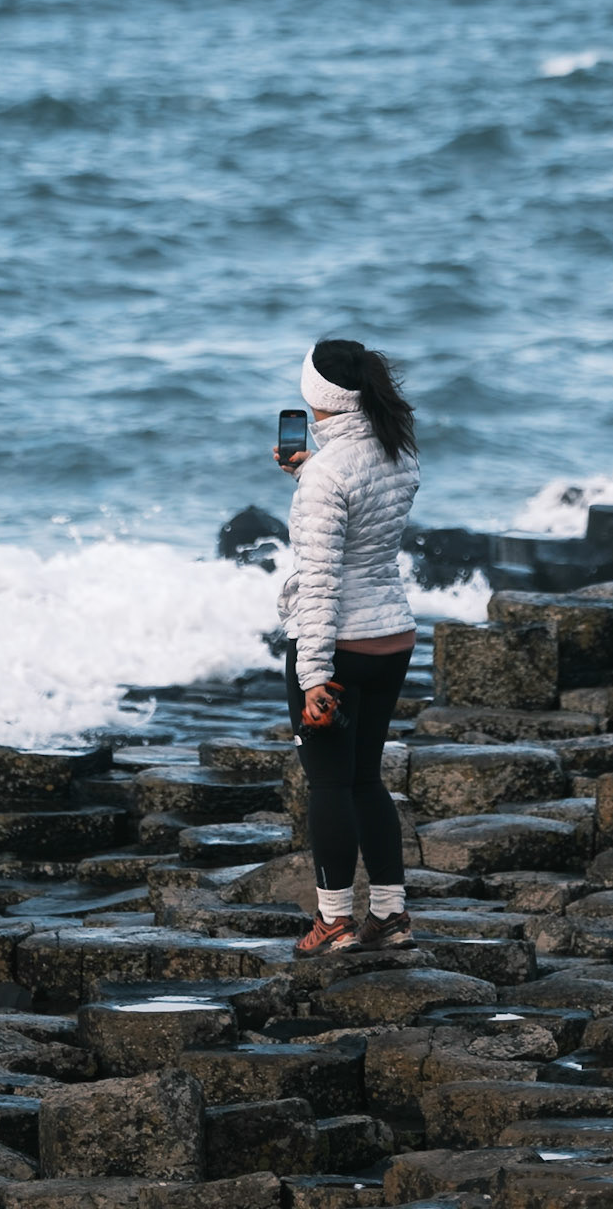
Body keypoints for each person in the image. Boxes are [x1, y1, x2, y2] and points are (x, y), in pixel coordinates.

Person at [274, 338, 419, 956]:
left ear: (318, 398)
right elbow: (363, 529)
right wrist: (309, 471)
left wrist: (312, 677)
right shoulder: (397, 450)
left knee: (330, 785)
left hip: (342, 645)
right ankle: (389, 915)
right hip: (393, 639)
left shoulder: (327, 476)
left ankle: (333, 920)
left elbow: (323, 582)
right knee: (366, 780)